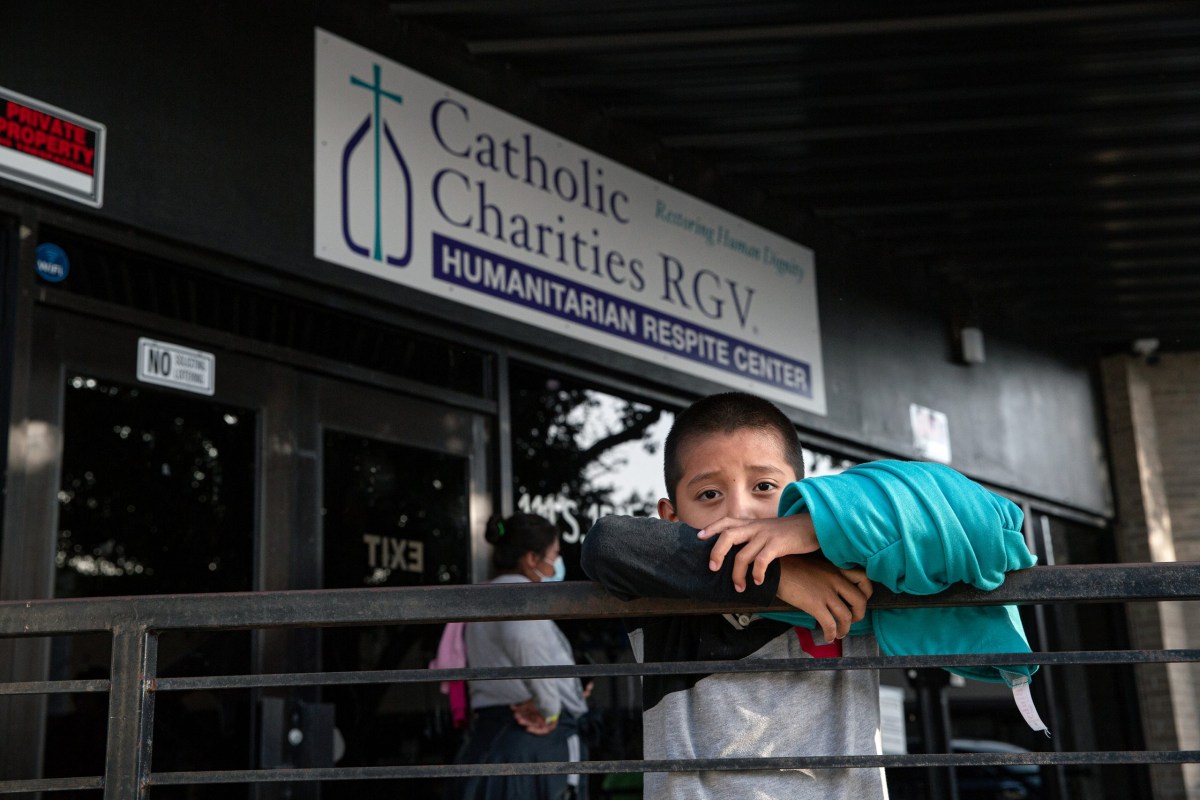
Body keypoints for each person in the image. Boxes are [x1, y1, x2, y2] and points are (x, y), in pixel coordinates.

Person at [581, 392, 1038, 800]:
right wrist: (776, 577)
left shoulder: (853, 569)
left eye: (764, 487)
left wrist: (810, 527)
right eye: (709, 493)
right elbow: (607, 544)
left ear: (800, 494)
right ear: (671, 517)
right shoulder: (667, 589)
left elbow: (985, 520)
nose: (740, 511)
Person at [450, 513, 589, 800]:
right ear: (531, 559)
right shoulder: (519, 599)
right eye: (554, 556)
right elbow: (526, 648)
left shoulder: (485, 598)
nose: (556, 566)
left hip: (494, 737)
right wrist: (550, 708)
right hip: (531, 743)